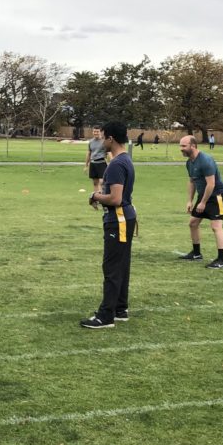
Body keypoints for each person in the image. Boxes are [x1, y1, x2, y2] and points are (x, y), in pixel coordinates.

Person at [80, 121, 137, 329]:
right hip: (125, 217)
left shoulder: (115, 164)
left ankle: (106, 315)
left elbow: (115, 198)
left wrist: (95, 196)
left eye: (104, 137)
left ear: (111, 139)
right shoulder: (125, 159)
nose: (101, 141)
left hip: (118, 219)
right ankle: (120, 308)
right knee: (121, 264)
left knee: (112, 266)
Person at [178, 135, 223, 268]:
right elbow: (192, 181)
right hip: (204, 195)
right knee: (193, 223)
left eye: (184, 146)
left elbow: (211, 184)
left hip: (217, 196)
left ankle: (221, 260)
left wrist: (203, 202)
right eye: (180, 146)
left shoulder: (205, 160)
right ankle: (196, 254)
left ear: (193, 146)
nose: (181, 149)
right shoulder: (189, 162)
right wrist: (190, 201)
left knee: (216, 226)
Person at [85, 126, 108, 194]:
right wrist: (86, 165)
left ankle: (102, 196)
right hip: (93, 163)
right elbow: (89, 153)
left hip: (101, 163)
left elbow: (109, 152)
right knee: (95, 182)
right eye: (94, 131)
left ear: (100, 132)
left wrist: (111, 162)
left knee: (102, 181)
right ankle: (96, 197)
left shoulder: (104, 141)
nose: (95, 133)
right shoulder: (91, 142)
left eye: (97, 131)